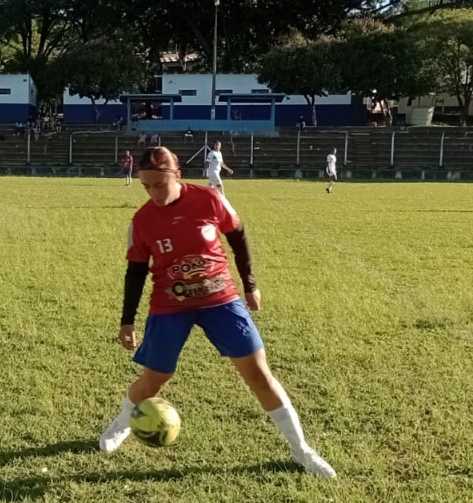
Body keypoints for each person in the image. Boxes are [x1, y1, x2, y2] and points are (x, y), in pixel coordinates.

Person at [98, 146, 337, 477]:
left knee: (258, 375)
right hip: (170, 307)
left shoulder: (210, 199)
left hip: (221, 300)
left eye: (159, 185)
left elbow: (238, 236)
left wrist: (250, 285)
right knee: (156, 378)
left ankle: (302, 450)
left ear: (176, 175)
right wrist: (127, 320)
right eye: (146, 187)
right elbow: (136, 271)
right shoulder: (141, 221)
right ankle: (123, 423)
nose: (153, 193)